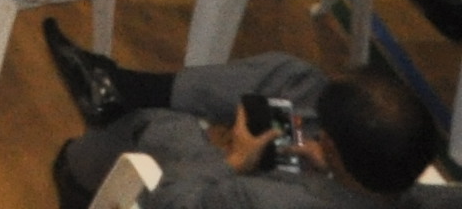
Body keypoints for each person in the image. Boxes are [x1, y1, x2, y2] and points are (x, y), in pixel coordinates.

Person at [46, 48, 443, 209]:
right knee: (298, 78)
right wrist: (331, 167)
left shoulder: (251, 199)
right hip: (339, 184)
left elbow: (173, 203)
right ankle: (124, 87)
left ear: (332, 147)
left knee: (162, 124)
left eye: (326, 137)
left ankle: (76, 180)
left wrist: (234, 160)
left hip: (268, 190)